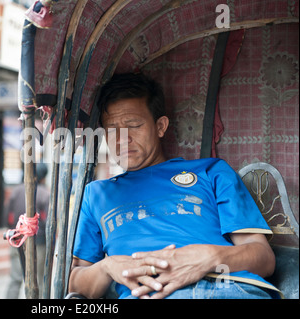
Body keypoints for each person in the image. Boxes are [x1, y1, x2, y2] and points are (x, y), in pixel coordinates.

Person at [68, 73, 280, 299]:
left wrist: (208, 259)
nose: (122, 139)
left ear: (160, 127)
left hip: (226, 287)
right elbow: (75, 285)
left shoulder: (210, 172)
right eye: (112, 130)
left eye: (134, 125)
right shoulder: (96, 194)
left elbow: (264, 258)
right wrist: (106, 266)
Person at [5, 163, 49, 299]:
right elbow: (48, 223)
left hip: (17, 239)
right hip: (39, 243)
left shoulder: (15, 191)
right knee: (38, 279)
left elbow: (7, 216)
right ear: (43, 177)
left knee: (15, 278)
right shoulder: (45, 194)